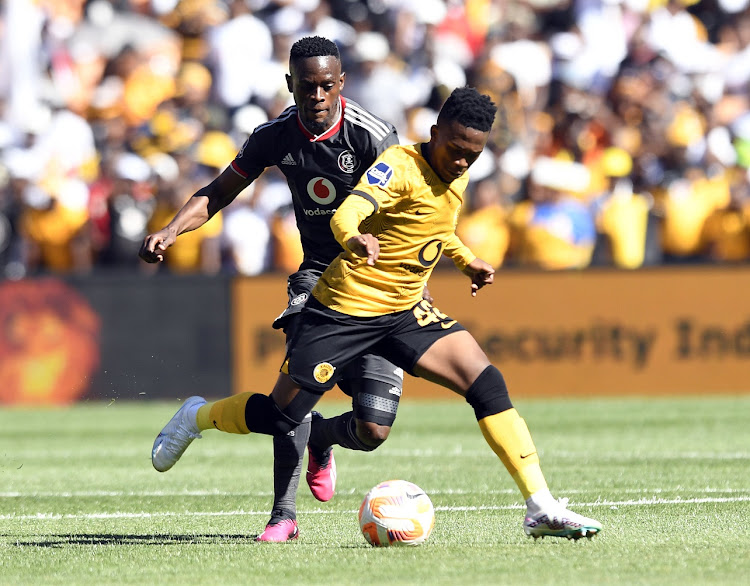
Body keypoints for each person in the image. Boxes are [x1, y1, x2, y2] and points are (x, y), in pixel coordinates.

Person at [150, 86, 603, 540]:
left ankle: (540, 507)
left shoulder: (458, 173)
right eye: (456, 150)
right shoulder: (398, 165)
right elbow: (347, 214)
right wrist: (354, 239)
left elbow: (435, 228)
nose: (463, 162)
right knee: (280, 417)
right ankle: (197, 416)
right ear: (434, 133)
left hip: (404, 310)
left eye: (473, 154)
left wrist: (468, 260)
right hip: (344, 309)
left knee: (483, 383)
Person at [140, 36, 411, 542]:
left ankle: (323, 440)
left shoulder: (372, 135)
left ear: (341, 84)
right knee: (295, 395)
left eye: (327, 85)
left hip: (378, 283)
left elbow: (411, 207)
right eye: (307, 86)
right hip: (318, 279)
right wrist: (172, 230)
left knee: (373, 429)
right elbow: (218, 192)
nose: (317, 96)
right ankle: (283, 516)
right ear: (291, 86)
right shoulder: (275, 135)